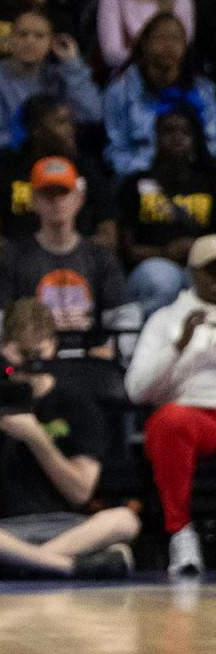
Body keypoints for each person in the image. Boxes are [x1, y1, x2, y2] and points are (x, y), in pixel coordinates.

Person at [0, 298, 137, 580]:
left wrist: (35, 437)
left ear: (52, 346)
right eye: (22, 353)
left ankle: (9, 564)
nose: (29, 364)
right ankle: (64, 566)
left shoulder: (75, 403)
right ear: (4, 346)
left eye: (38, 353)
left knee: (124, 520)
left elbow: (80, 493)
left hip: (66, 527)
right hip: (2, 528)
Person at [0, 156, 136, 354]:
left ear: (78, 198)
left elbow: (125, 316)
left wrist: (112, 349)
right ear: (34, 200)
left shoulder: (101, 258)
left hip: (89, 365)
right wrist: (8, 347)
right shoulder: (14, 256)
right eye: (47, 193)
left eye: (63, 192)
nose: (56, 200)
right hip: (33, 363)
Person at [126, 235, 216, 577]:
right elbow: (137, 390)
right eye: (212, 272)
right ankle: (180, 532)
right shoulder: (165, 320)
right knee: (170, 421)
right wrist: (178, 347)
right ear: (194, 274)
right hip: (191, 415)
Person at [0, 96, 116, 269]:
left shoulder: (87, 171)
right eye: (61, 122)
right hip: (18, 263)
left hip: (78, 263)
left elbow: (109, 238)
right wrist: (40, 252)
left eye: (71, 121)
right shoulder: (1, 171)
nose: (71, 129)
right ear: (37, 130)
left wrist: (65, 251)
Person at [0, 7, 102, 164]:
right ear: (9, 39)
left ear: (51, 42)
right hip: (6, 163)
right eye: (22, 34)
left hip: (58, 163)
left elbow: (92, 114)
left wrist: (72, 64)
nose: (30, 41)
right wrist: (34, 140)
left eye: (39, 36)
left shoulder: (60, 75)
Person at [118, 109, 216, 315]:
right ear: (156, 138)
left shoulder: (211, 183)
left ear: (196, 139)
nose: (177, 137)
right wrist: (164, 252)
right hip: (151, 265)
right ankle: (148, 342)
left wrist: (197, 248)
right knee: (164, 280)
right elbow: (127, 248)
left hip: (204, 264)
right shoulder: (135, 183)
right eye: (168, 131)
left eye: (186, 132)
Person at [103, 13, 216, 179]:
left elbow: (213, 141)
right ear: (144, 44)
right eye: (161, 37)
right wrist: (144, 174)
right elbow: (117, 148)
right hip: (140, 176)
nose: (169, 44)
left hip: (195, 175)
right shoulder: (120, 90)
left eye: (176, 38)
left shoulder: (204, 90)